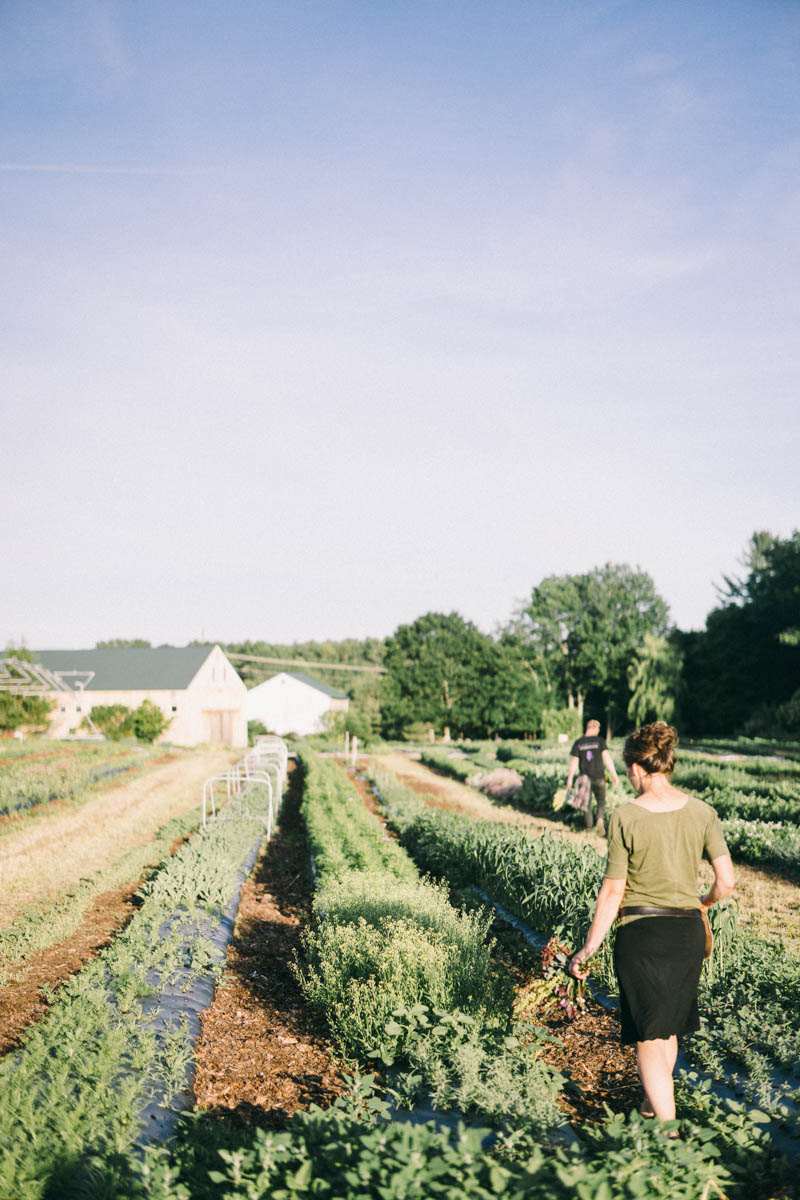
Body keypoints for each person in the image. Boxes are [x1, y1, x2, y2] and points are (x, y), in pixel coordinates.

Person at [567, 721, 735, 1124]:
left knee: (647, 1033)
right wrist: (703, 904)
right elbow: (726, 881)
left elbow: (612, 891)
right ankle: (650, 1105)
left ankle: (669, 1133)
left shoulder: (625, 816)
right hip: (686, 932)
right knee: (668, 1026)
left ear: (639, 768)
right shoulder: (702, 812)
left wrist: (588, 947)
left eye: (628, 769)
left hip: (641, 935)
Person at [566, 718, 620, 834]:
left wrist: (570, 778)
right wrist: (614, 774)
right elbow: (607, 758)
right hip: (599, 777)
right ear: (594, 728)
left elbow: (574, 762)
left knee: (586, 803)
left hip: (585, 778)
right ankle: (600, 821)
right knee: (601, 801)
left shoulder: (579, 742)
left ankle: (589, 828)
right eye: (598, 728)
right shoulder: (600, 741)